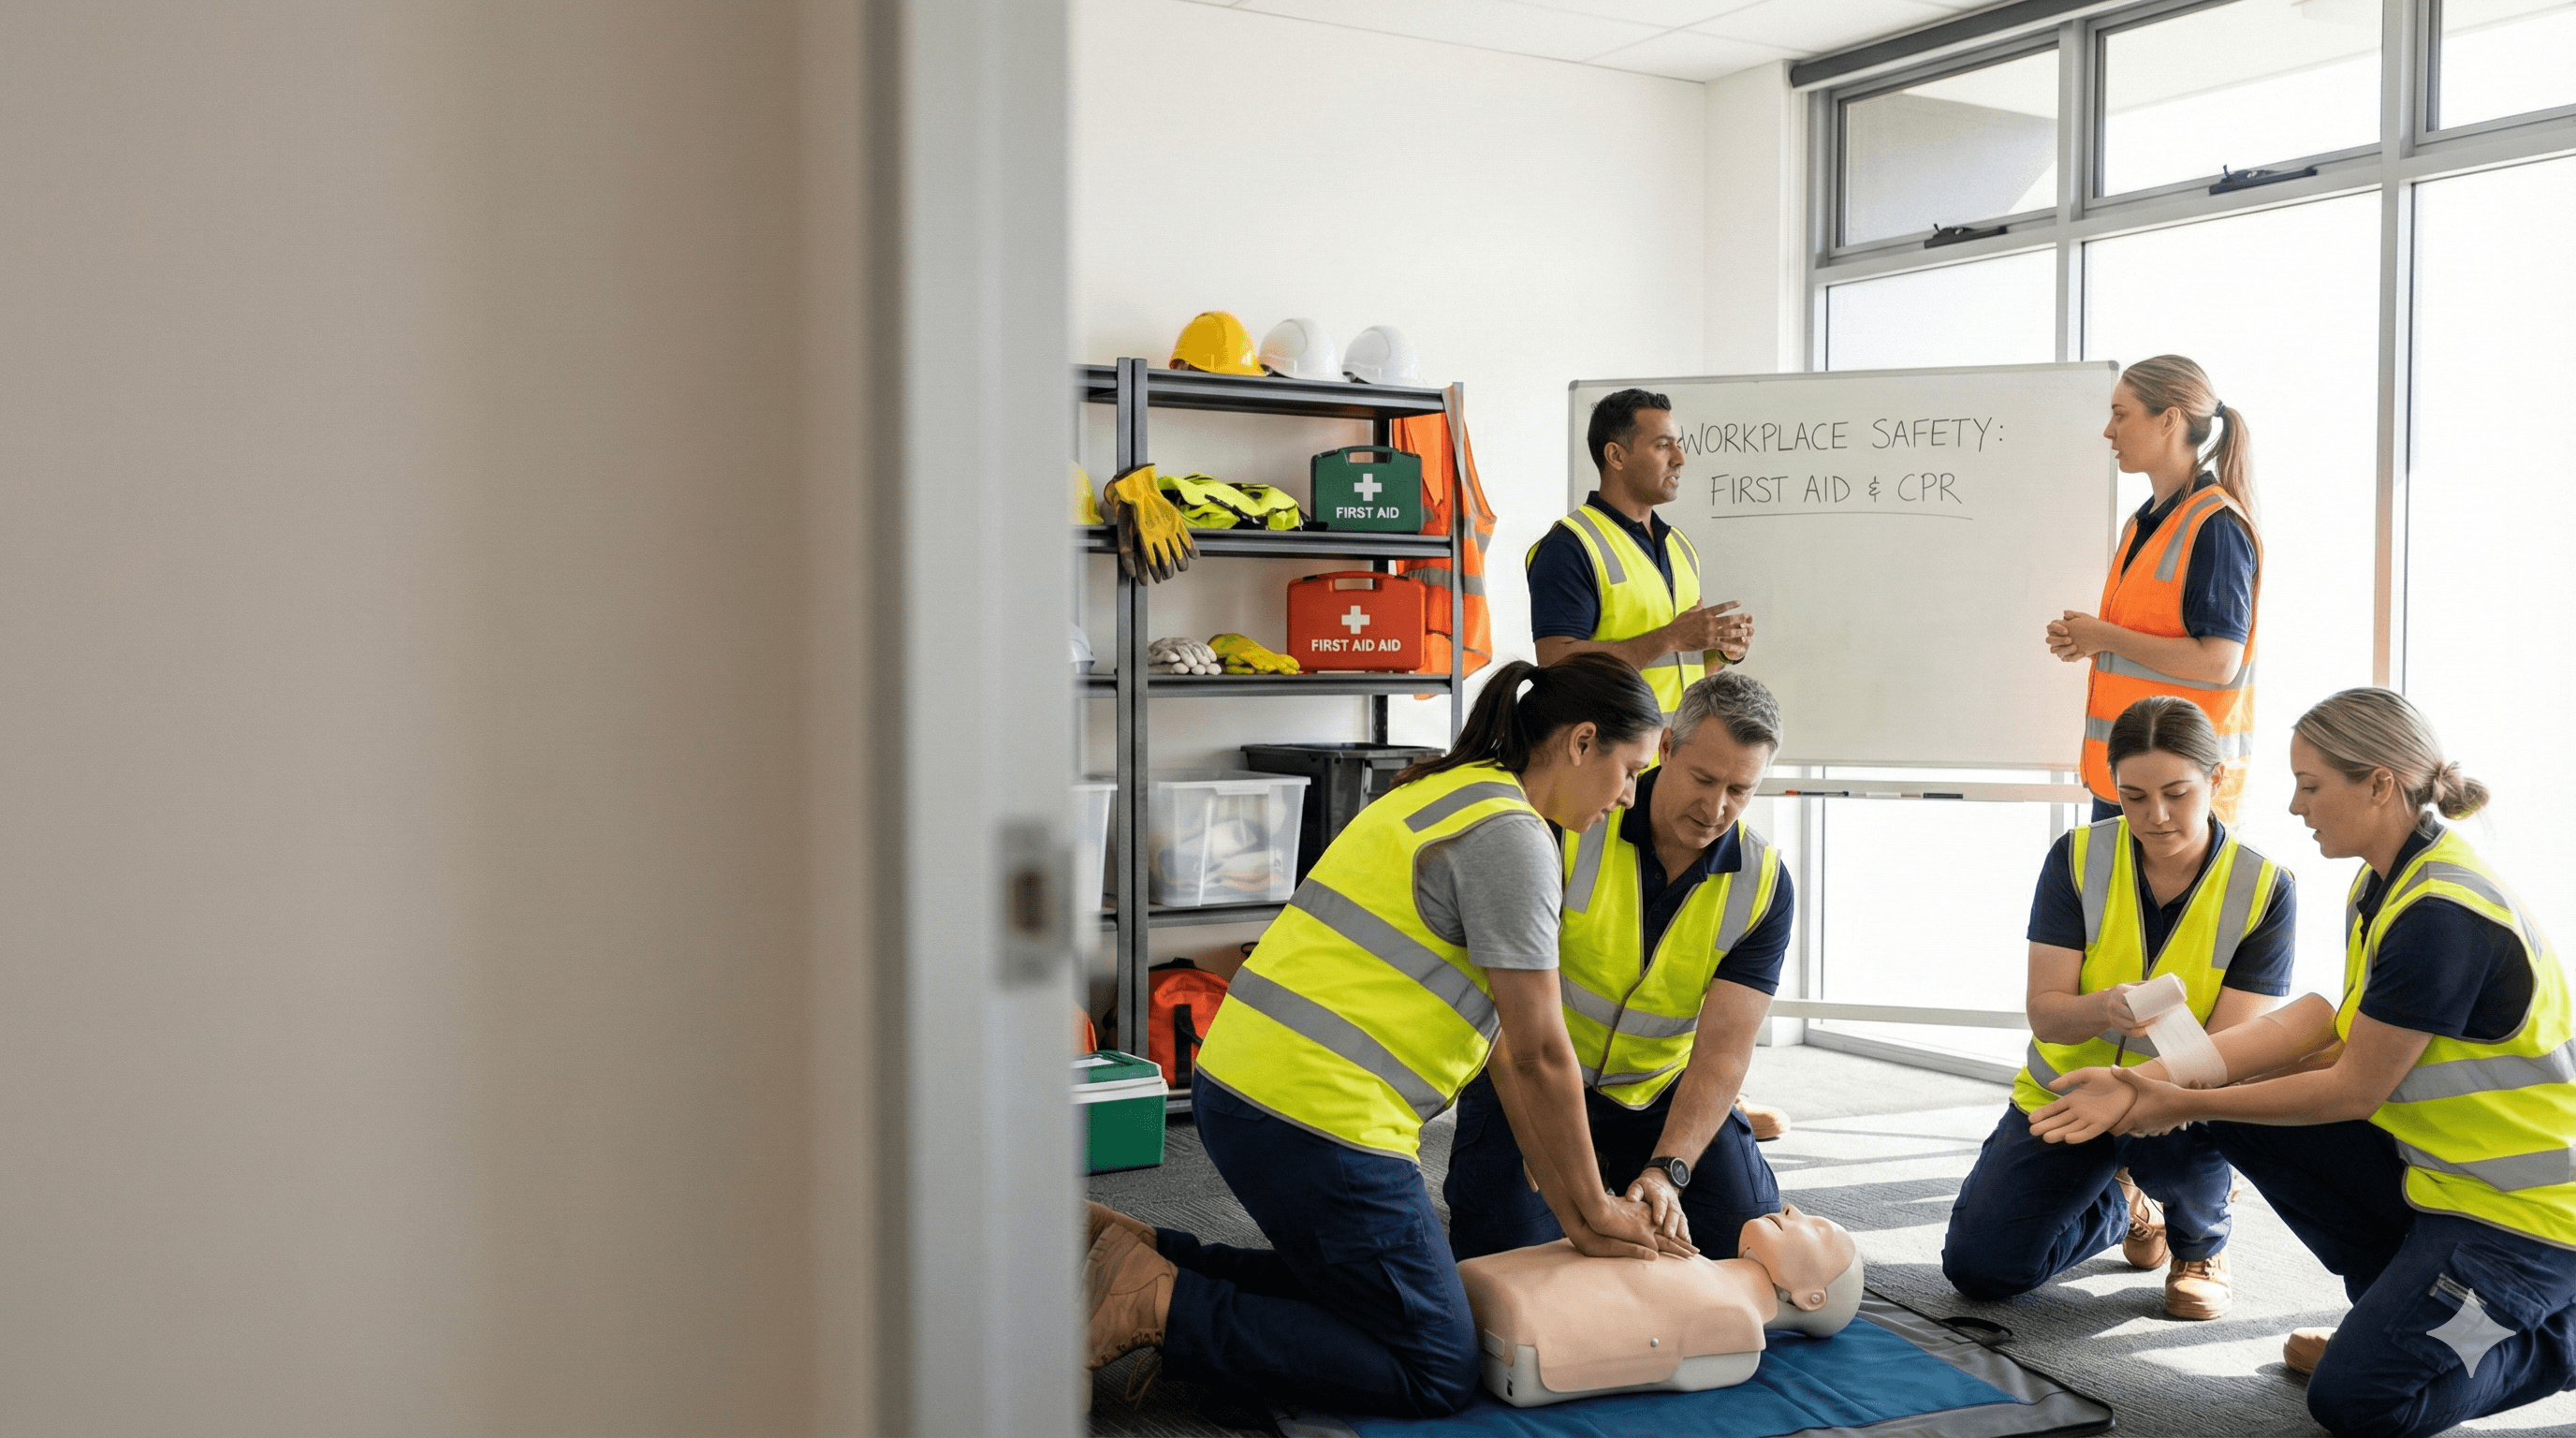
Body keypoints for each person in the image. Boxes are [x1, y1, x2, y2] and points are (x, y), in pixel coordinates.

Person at [1082, 654, 1692, 1418]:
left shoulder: (1448, 788)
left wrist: (1578, 1201)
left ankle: (1142, 1253)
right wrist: (1598, 1212)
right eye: (1629, 769)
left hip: (1244, 1089)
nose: (1629, 796)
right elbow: (1539, 1053)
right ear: (1580, 743)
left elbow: (1506, 1049)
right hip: (1319, 1120)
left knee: (1373, 1298)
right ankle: (1158, 1304)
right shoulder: (1511, 839)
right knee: (1434, 1364)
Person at [2033, 689, 2576, 1438]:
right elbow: (2330, 1036)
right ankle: (2398, 1322)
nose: (2295, 806)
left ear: (2379, 783)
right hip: (2438, 1183)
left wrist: (2179, 1099)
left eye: (2312, 786)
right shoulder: (2383, 884)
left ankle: (2550, 1337)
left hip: (2527, 1224)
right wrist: (2145, 1084)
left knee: (2362, 1401)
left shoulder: (2441, 915)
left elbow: (2352, 1088)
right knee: (2241, 1100)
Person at [1942, 697, 2295, 1321]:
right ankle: (2129, 1206)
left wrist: (2139, 1094)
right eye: (2133, 796)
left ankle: (2199, 1245)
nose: (2155, 816)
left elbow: (2229, 1053)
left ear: (2216, 779)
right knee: (1980, 1270)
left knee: (2199, 1135)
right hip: (2065, 1100)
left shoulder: (2264, 888)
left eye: (2176, 793)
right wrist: (2105, 1008)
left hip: (2183, 1106)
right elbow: (2048, 1015)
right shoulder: (2075, 860)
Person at [1444, 669, 1794, 1264]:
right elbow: (1506, 1016)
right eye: (1703, 779)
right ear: (1665, 748)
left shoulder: (1764, 885)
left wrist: (1669, 1169)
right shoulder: (1571, 822)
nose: (1716, 809)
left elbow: (1723, 1054)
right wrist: (1545, 1152)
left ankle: (1640, 1165)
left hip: (1655, 1092)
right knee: (1500, 1259)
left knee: (1744, 1244)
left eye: (1740, 791)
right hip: (1539, 1080)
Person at [1529, 387, 1790, 1140]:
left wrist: (1716, 648)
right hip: (1601, 774)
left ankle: (1706, 1093)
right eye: (1663, 443)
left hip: (1674, 763)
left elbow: (1677, 658)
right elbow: (1556, 663)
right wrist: (1670, 638)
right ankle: (1553, 1085)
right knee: (1597, 940)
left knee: (1689, 934)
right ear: (1616, 453)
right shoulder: (1568, 546)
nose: (1680, 456)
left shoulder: (1678, 547)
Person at [2045, 356, 2261, 823]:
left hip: (2182, 801)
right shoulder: (2142, 525)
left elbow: (2218, 662)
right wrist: (2091, 639)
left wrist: (2104, 637)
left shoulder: (2216, 526)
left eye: (2121, 414)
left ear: (2168, 420)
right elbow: (2148, 641)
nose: (2108, 430)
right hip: (2133, 786)